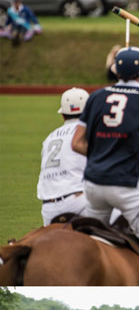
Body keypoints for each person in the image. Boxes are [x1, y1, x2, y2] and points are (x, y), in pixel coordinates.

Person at [72, 46, 139, 286]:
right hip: (127, 187)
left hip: (93, 186)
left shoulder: (96, 96)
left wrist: (102, 153)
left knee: (92, 241)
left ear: (116, 71)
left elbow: (77, 143)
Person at [38, 88, 90, 225]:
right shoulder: (88, 132)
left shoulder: (50, 137)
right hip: (80, 202)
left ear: (63, 115)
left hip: (48, 208)